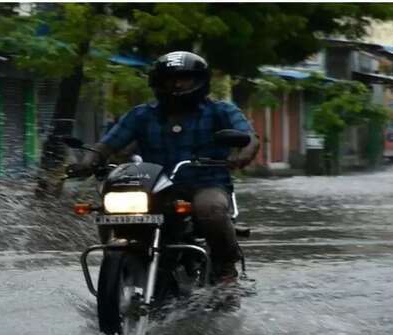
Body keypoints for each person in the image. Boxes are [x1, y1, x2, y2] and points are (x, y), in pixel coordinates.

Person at [68, 51, 260, 283]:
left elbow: (250, 138)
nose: (177, 84)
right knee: (112, 208)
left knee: (210, 209)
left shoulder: (221, 111)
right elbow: (105, 146)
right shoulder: (140, 115)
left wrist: (243, 156)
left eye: (185, 78)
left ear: (200, 81)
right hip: (155, 185)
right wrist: (86, 164)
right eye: (170, 78)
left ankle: (225, 268)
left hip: (206, 183)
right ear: (158, 83)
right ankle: (122, 261)